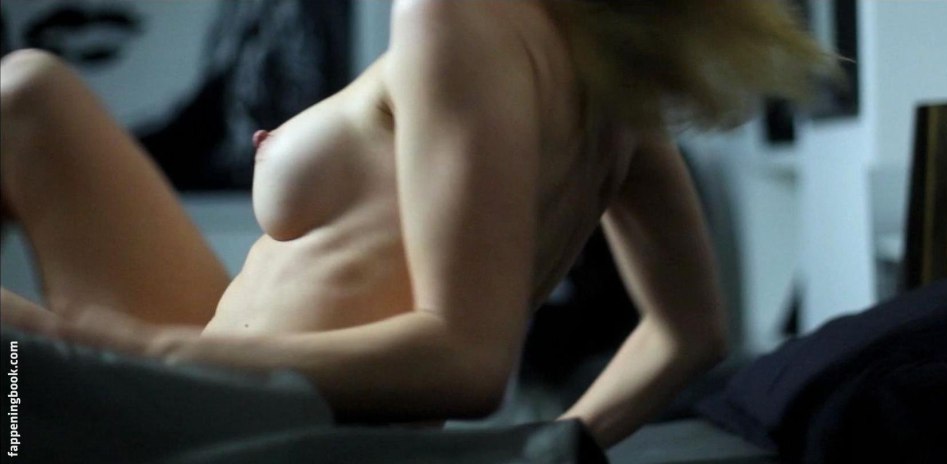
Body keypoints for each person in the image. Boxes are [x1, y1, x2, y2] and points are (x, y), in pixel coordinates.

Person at [0, 0, 833, 448]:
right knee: (28, 95)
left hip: (252, 417)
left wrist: (149, 352)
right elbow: (691, 331)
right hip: (218, 377)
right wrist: (563, 443)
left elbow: (465, 363)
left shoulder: (457, 14)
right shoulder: (608, 81)